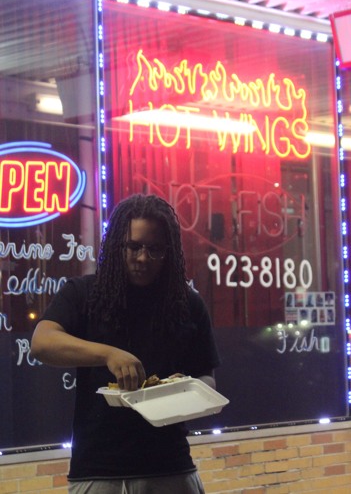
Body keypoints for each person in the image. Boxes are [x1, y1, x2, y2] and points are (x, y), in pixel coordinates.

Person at [31, 193, 220, 494]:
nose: (143, 258)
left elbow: (207, 378)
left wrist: (185, 388)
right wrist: (107, 354)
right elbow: (42, 342)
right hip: (99, 472)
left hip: (171, 469)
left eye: (154, 249)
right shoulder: (84, 294)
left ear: (168, 252)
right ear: (117, 245)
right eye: (134, 247)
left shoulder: (188, 304)